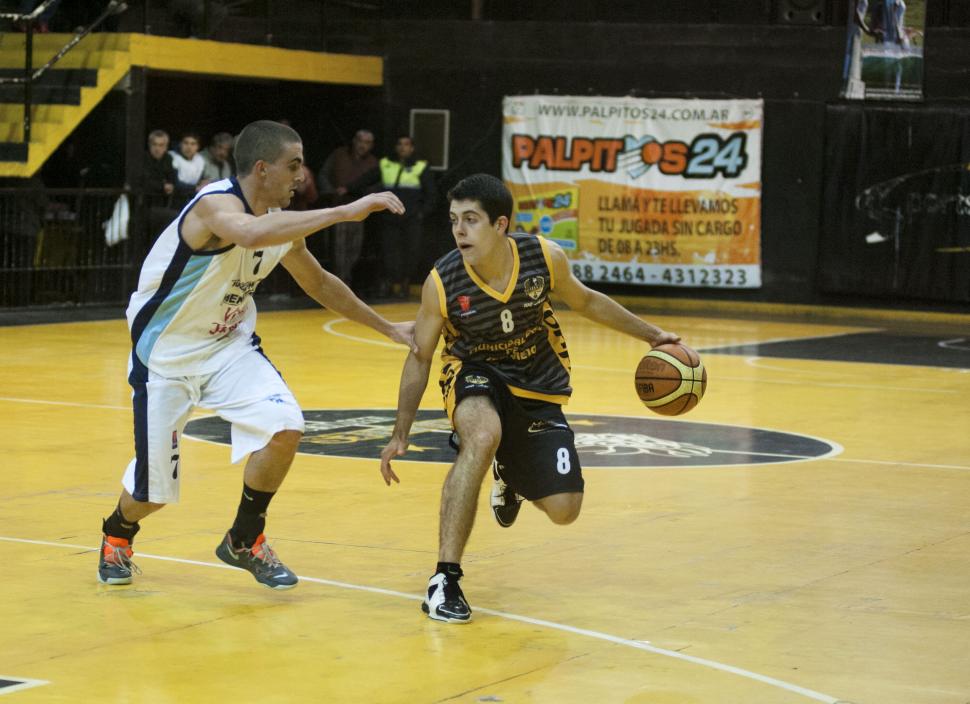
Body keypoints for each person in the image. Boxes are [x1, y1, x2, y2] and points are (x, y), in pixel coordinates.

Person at [97, 120, 414, 591]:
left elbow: (319, 282)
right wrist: (344, 211)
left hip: (228, 347)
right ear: (262, 168)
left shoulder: (281, 224)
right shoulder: (214, 205)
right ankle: (117, 534)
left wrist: (388, 327)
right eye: (294, 165)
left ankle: (244, 539)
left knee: (285, 426)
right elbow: (246, 234)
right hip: (165, 357)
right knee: (152, 494)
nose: (301, 176)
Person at [379, 174, 680, 622]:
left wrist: (652, 335)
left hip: (537, 382)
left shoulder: (543, 257)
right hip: (473, 372)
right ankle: (445, 579)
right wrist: (400, 432)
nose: (459, 230)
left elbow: (586, 301)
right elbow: (421, 355)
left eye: (471, 220)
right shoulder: (442, 280)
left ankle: (511, 474)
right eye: (454, 220)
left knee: (565, 510)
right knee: (482, 435)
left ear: (500, 224)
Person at [348, 134, 435, 298]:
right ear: (396, 147)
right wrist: (347, 188)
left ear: (412, 148)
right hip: (389, 218)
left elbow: (431, 194)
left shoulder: (420, 166)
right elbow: (365, 179)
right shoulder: (386, 164)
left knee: (411, 251)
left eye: (406, 144)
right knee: (389, 251)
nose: (403, 147)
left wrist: (421, 213)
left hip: (412, 218)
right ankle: (390, 283)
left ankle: (405, 284)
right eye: (400, 144)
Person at [316, 129, 377, 285]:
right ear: (354, 141)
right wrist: (331, 192)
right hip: (338, 208)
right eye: (360, 141)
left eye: (367, 142)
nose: (363, 145)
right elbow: (323, 175)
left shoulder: (373, 162)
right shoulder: (339, 154)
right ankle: (339, 282)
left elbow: (377, 185)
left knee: (354, 248)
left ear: (371, 145)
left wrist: (361, 194)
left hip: (360, 211)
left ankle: (345, 280)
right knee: (338, 248)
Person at [169, 132, 205, 207]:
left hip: (193, 199)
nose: (189, 147)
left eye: (193, 144)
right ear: (180, 144)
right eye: (186, 143)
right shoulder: (172, 157)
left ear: (197, 147)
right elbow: (175, 184)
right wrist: (195, 188)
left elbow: (200, 181)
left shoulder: (200, 159)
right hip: (174, 200)